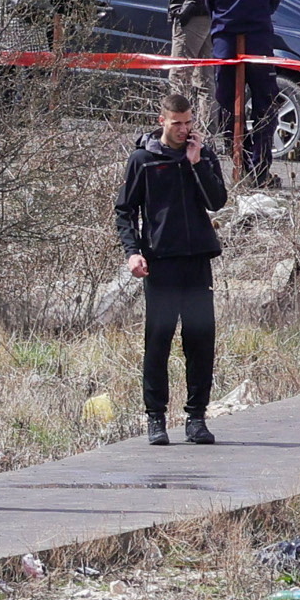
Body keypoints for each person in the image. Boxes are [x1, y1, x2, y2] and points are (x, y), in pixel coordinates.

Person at [110, 98, 229, 449]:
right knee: (158, 341)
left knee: (200, 341)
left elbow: (216, 200)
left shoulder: (202, 156)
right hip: (160, 262)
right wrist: (133, 253)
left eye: (188, 122)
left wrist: (195, 165)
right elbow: (125, 211)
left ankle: (196, 418)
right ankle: (156, 418)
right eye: (177, 123)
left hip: (197, 260)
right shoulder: (143, 160)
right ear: (162, 120)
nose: (184, 129)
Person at [188, 0, 288, 171]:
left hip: (225, 49)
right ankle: (260, 167)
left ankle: (237, 163)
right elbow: (273, 4)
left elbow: (210, 7)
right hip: (259, 47)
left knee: (227, 107)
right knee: (265, 107)